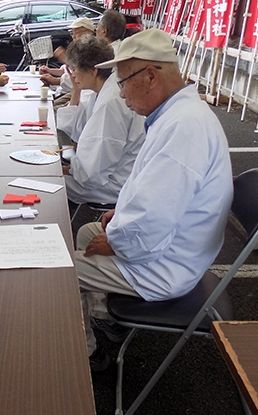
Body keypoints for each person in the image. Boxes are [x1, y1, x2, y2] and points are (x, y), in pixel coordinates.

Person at [73, 29, 233, 371]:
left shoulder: (182, 127)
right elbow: (155, 193)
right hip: (175, 247)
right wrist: (119, 216)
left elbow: (153, 218)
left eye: (124, 82)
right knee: (87, 234)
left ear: (150, 75)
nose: (122, 94)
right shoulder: (180, 114)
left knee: (60, 271)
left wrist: (115, 240)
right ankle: (107, 319)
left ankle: (88, 354)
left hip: (165, 265)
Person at [58, 35, 145, 206]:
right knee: (53, 175)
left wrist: (65, 171)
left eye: (74, 69)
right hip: (108, 173)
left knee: (50, 184)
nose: (72, 75)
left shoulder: (110, 101)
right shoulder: (103, 88)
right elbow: (76, 128)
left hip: (113, 183)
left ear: (93, 70)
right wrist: (76, 90)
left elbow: (91, 174)